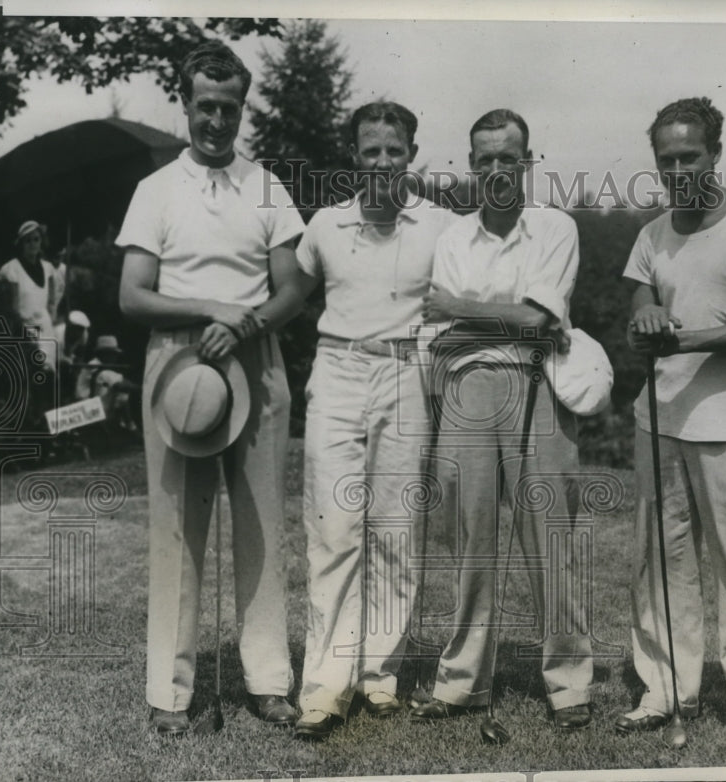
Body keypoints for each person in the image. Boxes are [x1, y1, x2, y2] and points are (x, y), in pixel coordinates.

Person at [117, 40, 309, 737]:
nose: (217, 122)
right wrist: (210, 312)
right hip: (177, 368)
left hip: (255, 363)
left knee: (261, 522)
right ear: (186, 101)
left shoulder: (266, 186)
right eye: (205, 107)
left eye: (229, 109)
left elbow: (292, 286)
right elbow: (134, 297)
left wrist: (248, 321)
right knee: (177, 531)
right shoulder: (156, 190)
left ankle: (268, 680)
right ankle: (170, 692)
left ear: (242, 107)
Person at [410, 109, 594, 732]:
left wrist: (465, 310)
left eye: (507, 158)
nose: (495, 169)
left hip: (539, 383)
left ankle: (569, 682)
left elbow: (538, 321)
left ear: (528, 162)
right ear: (471, 166)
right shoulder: (453, 237)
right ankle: (465, 682)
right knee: (471, 541)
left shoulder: (556, 227)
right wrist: (498, 316)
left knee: (551, 540)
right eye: (484, 158)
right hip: (466, 388)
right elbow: (441, 331)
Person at [619, 97, 726, 749]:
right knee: (660, 565)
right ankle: (665, 687)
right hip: (659, 422)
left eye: (689, 155)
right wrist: (644, 322)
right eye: (665, 160)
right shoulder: (653, 233)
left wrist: (682, 339)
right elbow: (641, 308)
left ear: (715, 153)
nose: (677, 169)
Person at [292, 101, 458, 741]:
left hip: (406, 377)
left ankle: (380, 677)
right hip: (336, 372)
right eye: (370, 151)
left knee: (395, 528)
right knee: (336, 528)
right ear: (353, 157)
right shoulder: (326, 224)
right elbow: (288, 295)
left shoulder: (441, 226)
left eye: (394, 150)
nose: (382, 162)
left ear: (411, 153)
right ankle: (326, 687)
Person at [0, 220, 59, 371]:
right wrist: (24, 335)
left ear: (41, 242)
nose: (33, 244)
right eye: (28, 241)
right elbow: (12, 309)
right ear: (21, 244)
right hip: (25, 331)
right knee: (33, 371)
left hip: (46, 330)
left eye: (36, 239)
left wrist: (49, 318)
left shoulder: (48, 268)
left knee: (48, 374)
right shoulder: (13, 269)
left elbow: (52, 300)